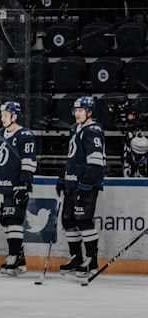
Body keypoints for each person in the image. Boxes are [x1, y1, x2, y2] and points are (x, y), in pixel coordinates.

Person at [0, 100, 37, 277]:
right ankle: (19, 259)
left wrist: (23, 184)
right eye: (2, 115)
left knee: (14, 221)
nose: (2, 118)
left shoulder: (25, 135)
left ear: (15, 116)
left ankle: (13, 256)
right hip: (1, 186)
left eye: (6, 115)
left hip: (15, 187)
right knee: (6, 221)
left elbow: (29, 162)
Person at [56, 96, 107, 278]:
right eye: (76, 110)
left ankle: (91, 261)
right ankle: (77, 257)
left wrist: (86, 182)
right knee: (68, 220)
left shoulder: (93, 130)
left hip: (86, 184)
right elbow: (72, 157)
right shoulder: (74, 129)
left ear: (90, 112)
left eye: (81, 110)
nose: (77, 114)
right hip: (71, 181)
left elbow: (96, 160)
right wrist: (63, 178)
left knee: (84, 220)